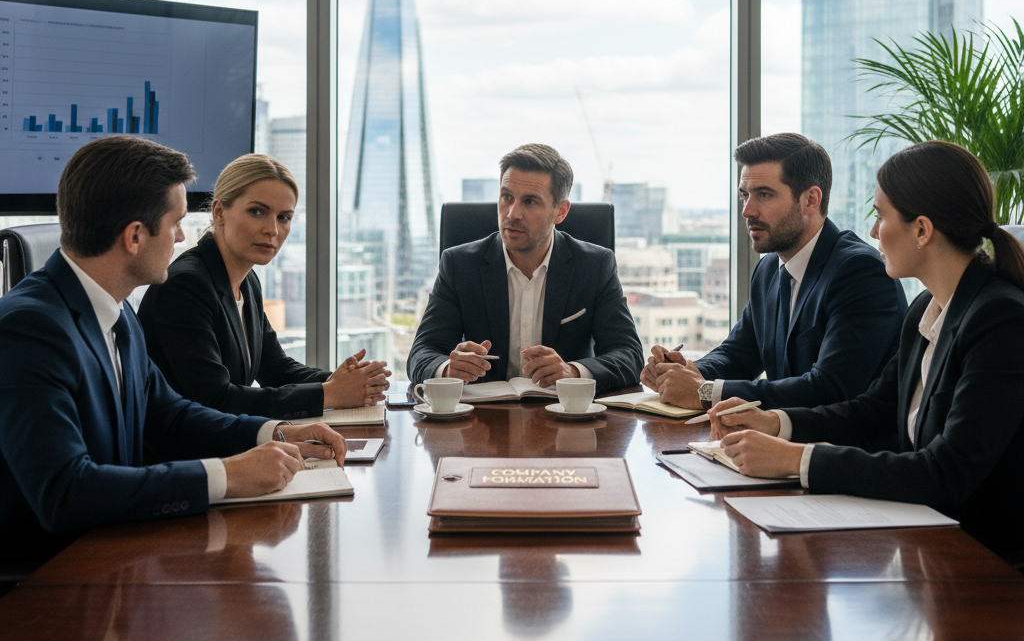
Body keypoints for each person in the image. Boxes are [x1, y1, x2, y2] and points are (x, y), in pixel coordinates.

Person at [0, 136, 347, 573]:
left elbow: (170, 414)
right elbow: (66, 492)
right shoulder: (29, 328)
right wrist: (227, 476)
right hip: (49, 586)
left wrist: (273, 432)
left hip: (118, 558)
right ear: (134, 236)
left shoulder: (117, 310)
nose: (184, 236)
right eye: (176, 223)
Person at [712, 141, 1024, 563]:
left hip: (984, 564)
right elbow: (870, 411)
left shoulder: (1000, 320)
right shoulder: (927, 308)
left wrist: (795, 458)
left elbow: (945, 472)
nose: (873, 231)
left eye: (881, 216)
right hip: (924, 547)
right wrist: (776, 423)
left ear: (922, 230)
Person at [642, 133, 907, 413]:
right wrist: (681, 371)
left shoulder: (860, 272)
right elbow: (739, 354)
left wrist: (705, 391)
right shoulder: (770, 267)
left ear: (810, 200)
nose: (747, 211)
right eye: (745, 195)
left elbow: (829, 388)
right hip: (774, 441)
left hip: (843, 450)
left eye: (764, 195)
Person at [138, 154, 389, 421]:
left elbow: (275, 367)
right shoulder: (186, 285)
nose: (272, 229)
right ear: (219, 212)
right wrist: (331, 393)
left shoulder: (246, 281)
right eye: (257, 211)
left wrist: (344, 381)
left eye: (284, 217)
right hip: (185, 454)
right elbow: (215, 399)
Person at [406, 143, 643, 393]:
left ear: (560, 212)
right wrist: (447, 369)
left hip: (566, 416)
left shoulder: (595, 266)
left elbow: (629, 356)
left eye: (530, 202)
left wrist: (572, 372)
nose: (512, 213)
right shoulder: (459, 265)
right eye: (507, 197)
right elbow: (422, 353)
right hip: (483, 420)